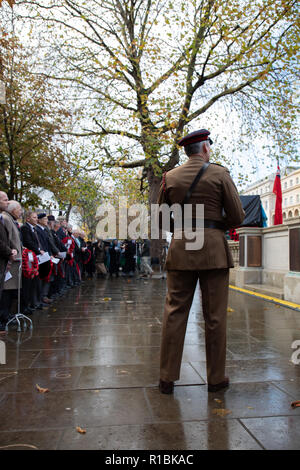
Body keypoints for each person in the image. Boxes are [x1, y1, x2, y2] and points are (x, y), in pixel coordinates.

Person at [157, 129, 245, 394]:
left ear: (188, 151)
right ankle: (216, 379)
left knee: (174, 313)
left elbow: (161, 220)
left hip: (182, 248)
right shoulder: (219, 174)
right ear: (205, 148)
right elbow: (238, 216)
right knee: (215, 317)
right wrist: (215, 224)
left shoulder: (169, 177)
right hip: (214, 250)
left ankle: (166, 378)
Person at [0, 201, 23, 325]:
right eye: (19, 209)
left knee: (11, 290)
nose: (21, 212)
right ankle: (3, 316)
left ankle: (7, 314)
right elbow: (7, 239)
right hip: (10, 259)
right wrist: (10, 253)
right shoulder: (6, 219)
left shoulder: (11, 219)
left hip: (15, 258)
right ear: (13, 210)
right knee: (7, 290)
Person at [0, 192, 17, 331]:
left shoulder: (3, 218)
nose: (8, 202)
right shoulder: (5, 218)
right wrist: (9, 251)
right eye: (5, 200)